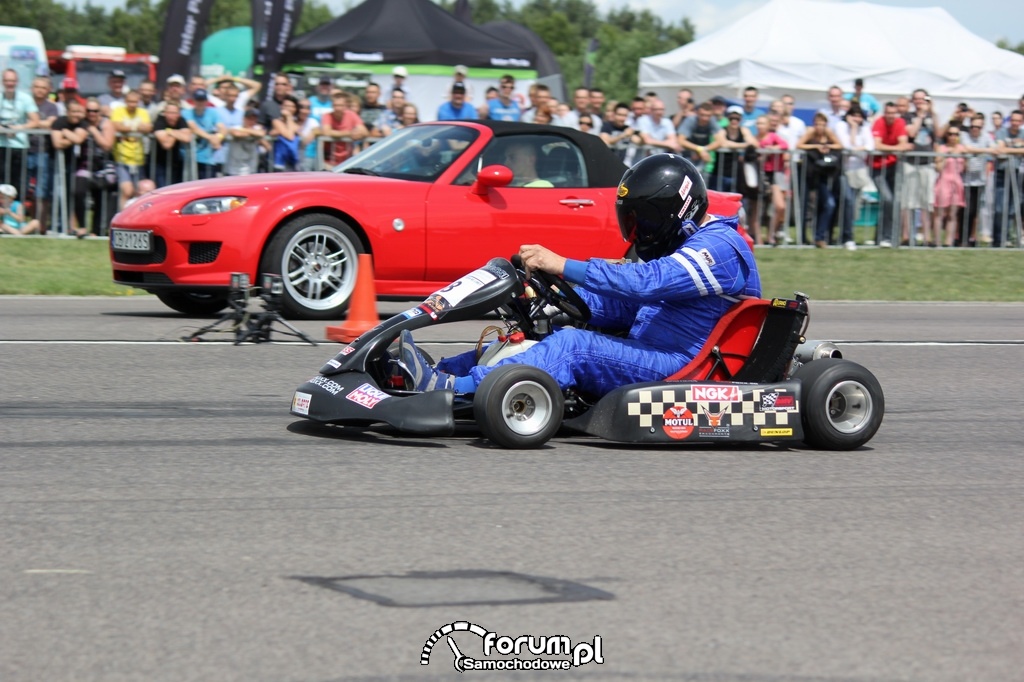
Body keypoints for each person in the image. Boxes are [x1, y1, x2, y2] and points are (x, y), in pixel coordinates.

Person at [397, 154, 761, 398]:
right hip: (652, 349)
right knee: (544, 331)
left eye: (644, 221)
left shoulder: (722, 248)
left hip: (679, 365)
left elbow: (648, 283)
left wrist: (563, 264)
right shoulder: (684, 247)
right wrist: (551, 297)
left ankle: (453, 389)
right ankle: (435, 372)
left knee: (575, 346)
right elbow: (628, 306)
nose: (638, 232)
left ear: (675, 211)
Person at [798, 112, 843, 248]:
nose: (819, 127)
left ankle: (820, 236)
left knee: (829, 204)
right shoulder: (810, 133)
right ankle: (803, 237)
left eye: (822, 124)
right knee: (805, 207)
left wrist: (827, 147)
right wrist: (816, 147)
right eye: (817, 124)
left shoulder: (828, 133)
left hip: (822, 176)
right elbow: (799, 145)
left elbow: (839, 145)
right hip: (807, 175)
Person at [834, 104, 875, 250]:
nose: (856, 119)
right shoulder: (841, 126)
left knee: (854, 205)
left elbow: (870, 146)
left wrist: (855, 149)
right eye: (854, 115)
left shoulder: (865, 128)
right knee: (848, 201)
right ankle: (847, 237)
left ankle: (846, 234)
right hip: (844, 171)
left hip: (859, 171)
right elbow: (846, 146)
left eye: (859, 116)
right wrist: (852, 130)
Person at [871, 101, 909, 247]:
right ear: (884, 112)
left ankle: (884, 236)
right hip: (877, 167)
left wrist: (890, 149)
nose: (891, 116)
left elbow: (904, 144)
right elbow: (877, 144)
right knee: (887, 199)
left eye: (893, 113)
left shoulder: (900, 123)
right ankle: (885, 237)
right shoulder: (878, 123)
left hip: (894, 166)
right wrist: (895, 148)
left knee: (894, 202)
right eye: (888, 113)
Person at [902, 89, 937, 245]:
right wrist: (921, 116)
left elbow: (938, 134)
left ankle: (927, 237)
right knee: (908, 201)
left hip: (927, 163)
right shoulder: (907, 117)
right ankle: (907, 235)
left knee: (926, 202)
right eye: (916, 99)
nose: (919, 102)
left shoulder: (932, 116)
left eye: (922, 99)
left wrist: (933, 113)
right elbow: (911, 133)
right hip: (910, 163)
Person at [110, 89, 153, 208]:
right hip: (122, 158)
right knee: (127, 191)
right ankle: (122, 217)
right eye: (130, 101)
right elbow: (117, 126)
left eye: (135, 102)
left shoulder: (143, 112)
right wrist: (136, 127)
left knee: (138, 192)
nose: (132, 104)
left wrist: (127, 128)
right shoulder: (118, 111)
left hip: (138, 158)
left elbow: (148, 127)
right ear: (125, 101)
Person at [0, 68, 40, 197]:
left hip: (19, 146)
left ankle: (15, 213)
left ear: (17, 82)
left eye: (12, 80)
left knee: (18, 183)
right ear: (2, 81)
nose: (9, 83)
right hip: (1, 146)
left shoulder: (25, 98)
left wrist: (18, 128)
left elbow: (35, 121)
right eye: (7, 80)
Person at [960, 113, 993, 247]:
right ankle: (962, 238)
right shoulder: (964, 136)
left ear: (982, 127)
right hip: (964, 180)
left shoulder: (986, 137)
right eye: (972, 126)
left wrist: (976, 151)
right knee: (964, 210)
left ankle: (971, 238)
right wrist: (983, 151)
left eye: (978, 127)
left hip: (980, 180)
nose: (974, 129)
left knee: (974, 211)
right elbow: (964, 148)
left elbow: (994, 149)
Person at [993, 109, 1024, 248]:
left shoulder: (1022, 133)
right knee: (1000, 208)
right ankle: (998, 238)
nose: (1015, 123)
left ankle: (1008, 237)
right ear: (1009, 121)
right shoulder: (1001, 132)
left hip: (1017, 172)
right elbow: (1000, 150)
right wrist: (1017, 147)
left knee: (1013, 208)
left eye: (1018, 121)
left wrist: (1009, 148)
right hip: (1002, 172)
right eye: (1013, 120)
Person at [932, 125, 966, 247]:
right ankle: (937, 241)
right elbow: (938, 168)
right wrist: (947, 156)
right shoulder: (941, 148)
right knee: (939, 213)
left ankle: (948, 241)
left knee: (952, 214)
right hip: (943, 182)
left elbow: (966, 167)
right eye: (950, 134)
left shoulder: (962, 149)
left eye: (956, 134)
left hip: (957, 182)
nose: (953, 137)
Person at [182, 88, 223, 180]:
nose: (200, 102)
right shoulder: (186, 112)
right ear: (193, 100)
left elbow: (222, 128)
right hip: (190, 158)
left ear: (206, 101)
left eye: (202, 100)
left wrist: (218, 137)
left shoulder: (213, 112)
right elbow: (193, 127)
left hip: (208, 158)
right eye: (198, 99)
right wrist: (211, 137)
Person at [320, 91, 367, 169]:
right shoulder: (327, 116)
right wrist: (349, 133)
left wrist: (358, 133)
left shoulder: (351, 115)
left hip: (347, 161)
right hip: (329, 161)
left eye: (340, 105)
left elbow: (364, 131)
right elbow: (326, 132)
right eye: (335, 105)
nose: (337, 108)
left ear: (346, 106)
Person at [151, 102, 192, 187]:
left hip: (175, 163)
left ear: (178, 114)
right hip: (159, 163)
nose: (171, 115)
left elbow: (187, 138)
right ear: (165, 113)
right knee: (162, 189)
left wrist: (169, 131)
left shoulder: (181, 120)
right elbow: (167, 145)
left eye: (174, 113)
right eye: (169, 112)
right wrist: (178, 133)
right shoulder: (160, 120)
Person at [676, 101, 721, 177]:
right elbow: (681, 140)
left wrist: (704, 149)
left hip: (703, 158)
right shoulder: (690, 120)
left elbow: (719, 141)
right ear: (697, 113)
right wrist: (699, 149)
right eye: (702, 115)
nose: (705, 118)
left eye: (708, 116)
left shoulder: (712, 121)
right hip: (687, 158)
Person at [223, 106, 269, 176]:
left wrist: (246, 131)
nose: (251, 121)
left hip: (250, 168)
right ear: (244, 119)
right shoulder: (236, 127)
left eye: (254, 119)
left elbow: (261, 133)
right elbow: (236, 133)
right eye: (249, 119)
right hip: (234, 169)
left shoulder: (256, 128)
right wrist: (252, 133)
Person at [271, 95, 301, 172]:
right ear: (281, 107)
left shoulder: (298, 122)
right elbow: (290, 136)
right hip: (280, 162)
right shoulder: (276, 121)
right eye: (286, 106)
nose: (288, 108)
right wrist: (288, 117)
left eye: (291, 106)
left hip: (295, 160)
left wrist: (289, 119)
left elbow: (297, 131)